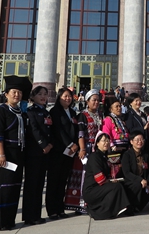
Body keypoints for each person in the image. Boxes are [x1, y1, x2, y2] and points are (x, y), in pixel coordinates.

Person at [0, 76, 30, 230]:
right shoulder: (1, 111)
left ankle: (9, 220)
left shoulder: (21, 112)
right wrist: (1, 154)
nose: (16, 95)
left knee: (13, 187)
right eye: (13, 92)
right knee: (2, 187)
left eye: (19, 92)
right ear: (6, 94)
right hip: (4, 153)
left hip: (18, 154)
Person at [66, 89, 103, 214]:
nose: (96, 102)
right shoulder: (83, 115)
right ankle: (80, 203)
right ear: (87, 101)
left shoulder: (99, 114)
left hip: (96, 149)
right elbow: (80, 134)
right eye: (94, 100)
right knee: (83, 175)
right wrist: (82, 149)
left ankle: (93, 201)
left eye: (98, 100)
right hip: (86, 148)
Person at [46, 87, 79, 220]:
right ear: (59, 98)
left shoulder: (72, 112)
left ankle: (60, 208)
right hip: (59, 151)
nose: (67, 98)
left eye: (69, 96)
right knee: (53, 181)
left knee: (63, 181)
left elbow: (76, 129)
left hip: (70, 152)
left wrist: (75, 144)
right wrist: (70, 145)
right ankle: (52, 210)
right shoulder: (54, 112)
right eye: (65, 96)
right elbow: (58, 131)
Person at [22, 86, 52, 225]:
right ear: (32, 96)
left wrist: (50, 144)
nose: (43, 97)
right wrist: (43, 145)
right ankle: (29, 216)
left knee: (40, 184)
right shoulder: (30, 112)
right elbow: (34, 130)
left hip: (45, 153)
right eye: (40, 94)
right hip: (34, 152)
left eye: (45, 94)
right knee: (31, 184)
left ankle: (37, 214)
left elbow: (50, 130)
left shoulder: (46, 112)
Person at [82, 132, 130, 220]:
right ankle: (102, 212)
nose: (106, 143)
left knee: (121, 185)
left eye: (108, 141)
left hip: (99, 187)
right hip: (91, 190)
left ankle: (112, 210)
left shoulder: (104, 156)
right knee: (116, 187)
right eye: (103, 141)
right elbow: (99, 178)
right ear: (97, 143)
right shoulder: (94, 157)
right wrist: (110, 181)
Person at [119, 131, 149, 212]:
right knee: (137, 185)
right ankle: (131, 206)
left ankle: (139, 207)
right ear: (131, 142)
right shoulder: (127, 155)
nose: (139, 142)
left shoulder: (146, 154)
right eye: (137, 140)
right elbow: (127, 173)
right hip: (131, 181)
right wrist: (140, 180)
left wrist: (148, 183)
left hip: (143, 181)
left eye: (141, 139)